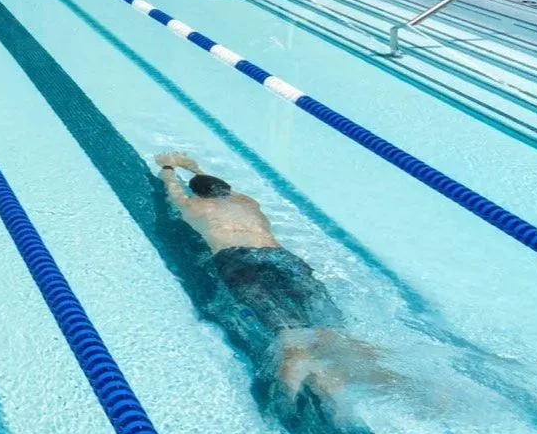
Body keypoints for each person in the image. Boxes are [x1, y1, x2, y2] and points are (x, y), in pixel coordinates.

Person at [157, 152, 397, 408]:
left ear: (199, 194)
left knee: (288, 334)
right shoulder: (248, 203)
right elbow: (214, 184)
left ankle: (294, 394)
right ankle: (372, 376)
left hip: (241, 261)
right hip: (283, 258)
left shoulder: (194, 206)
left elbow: (174, 191)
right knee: (332, 329)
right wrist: (194, 167)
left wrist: (169, 167)